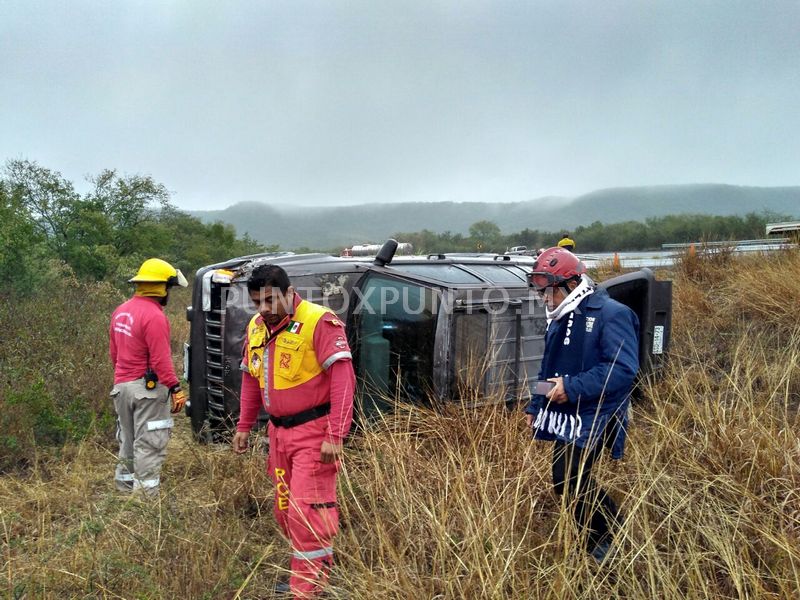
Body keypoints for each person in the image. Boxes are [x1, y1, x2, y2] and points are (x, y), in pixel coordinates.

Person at [232, 264, 355, 599]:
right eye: (257, 302)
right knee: (284, 510)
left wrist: (336, 434)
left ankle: (307, 589)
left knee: (307, 512)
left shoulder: (319, 321)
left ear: (289, 293)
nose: (264, 309)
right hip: (278, 435)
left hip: (313, 434)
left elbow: (344, 379)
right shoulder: (257, 326)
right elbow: (250, 377)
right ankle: (308, 570)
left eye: (271, 300)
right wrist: (244, 425)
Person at [525, 247, 639, 563]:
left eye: (549, 292)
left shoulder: (612, 314)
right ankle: (602, 535)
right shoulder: (560, 317)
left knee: (570, 480)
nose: (545, 299)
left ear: (572, 285)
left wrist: (573, 387)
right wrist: (536, 406)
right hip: (568, 416)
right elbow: (548, 368)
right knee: (568, 482)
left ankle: (603, 541)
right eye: (541, 292)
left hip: (600, 413)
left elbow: (622, 369)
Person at [109, 258, 188, 494]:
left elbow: (115, 353)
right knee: (150, 443)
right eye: (169, 289)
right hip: (147, 390)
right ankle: (145, 502)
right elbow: (160, 360)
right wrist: (175, 388)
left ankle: (123, 491)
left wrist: (125, 378)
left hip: (121, 387)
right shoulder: (154, 316)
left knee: (128, 440)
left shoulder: (121, 311)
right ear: (162, 288)